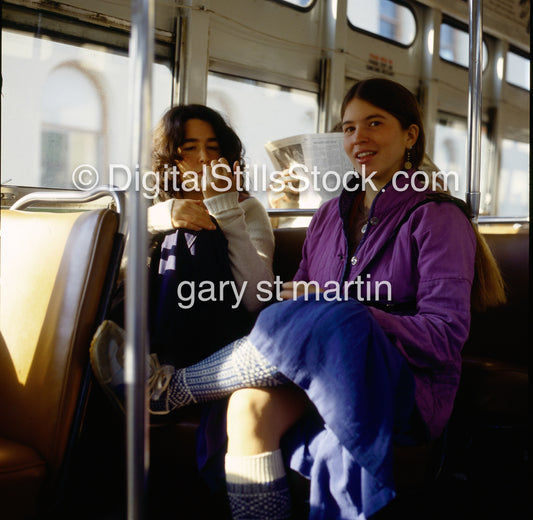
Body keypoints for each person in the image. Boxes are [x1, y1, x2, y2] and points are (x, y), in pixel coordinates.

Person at [91, 79, 505, 519]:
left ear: (410, 134)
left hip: (402, 385)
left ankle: (173, 388)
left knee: (339, 315)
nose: (358, 138)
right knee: (249, 406)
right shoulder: (329, 215)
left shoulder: (439, 217)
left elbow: (443, 337)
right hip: (318, 374)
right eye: (348, 129)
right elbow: (285, 311)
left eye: (374, 123)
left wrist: (338, 303)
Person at [106, 104, 275, 368]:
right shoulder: (151, 205)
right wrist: (155, 220)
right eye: (189, 148)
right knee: (176, 232)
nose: (204, 157)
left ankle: (162, 367)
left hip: (221, 328)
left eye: (213, 147)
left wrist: (225, 210)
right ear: (171, 158)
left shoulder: (248, 208)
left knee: (198, 233)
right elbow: (118, 277)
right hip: (149, 322)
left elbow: (257, 297)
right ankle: (143, 362)